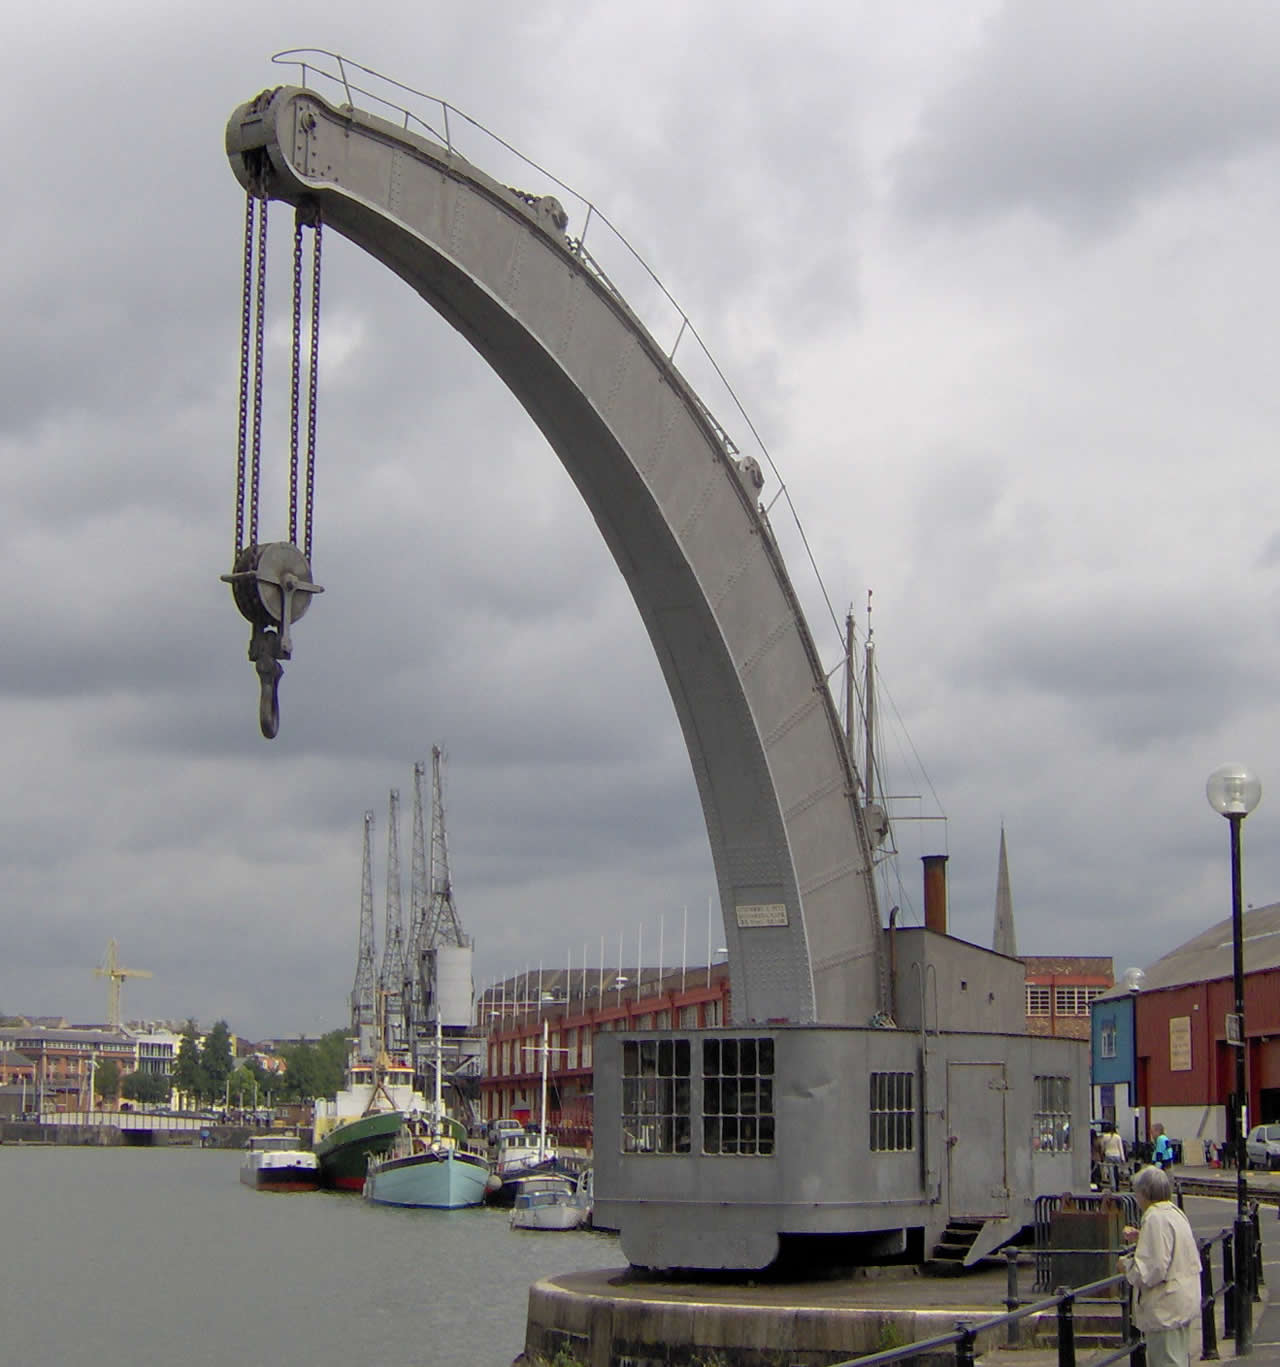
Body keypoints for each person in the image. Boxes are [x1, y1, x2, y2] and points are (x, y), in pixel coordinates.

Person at [1119, 1165, 1200, 1367]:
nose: (1137, 1200)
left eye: (1137, 1194)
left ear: (1145, 1194)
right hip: (1183, 1301)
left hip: (1166, 1308)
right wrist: (1142, 1237)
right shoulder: (1174, 1213)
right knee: (1178, 1359)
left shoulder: (1155, 1218)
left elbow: (1152, 1269)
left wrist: (1126, 1266)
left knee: (1166, 1361)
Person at [1101, 1123, 1126, 1190]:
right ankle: (1117, 1185)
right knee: (1117, 1171)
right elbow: (1120, 1148)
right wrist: (1123, 1158)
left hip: (1108, 1155)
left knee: (1111, 1171)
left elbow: (1103, 1147)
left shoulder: (1105, 1136)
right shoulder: (1118, 1137)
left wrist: (1102, 1154)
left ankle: (1113, 1186)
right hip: (1117, 1155)